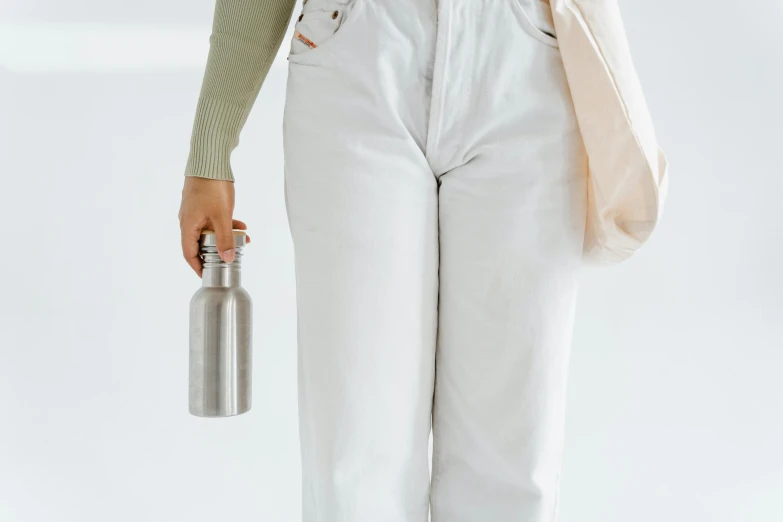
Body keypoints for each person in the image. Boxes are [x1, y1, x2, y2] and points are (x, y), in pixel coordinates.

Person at [179, 0, 591, 520]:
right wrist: (210, 150)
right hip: (357, 50)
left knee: (511, 464)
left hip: (527, 54)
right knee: (355, 459)